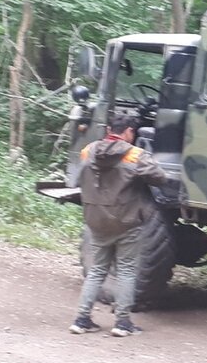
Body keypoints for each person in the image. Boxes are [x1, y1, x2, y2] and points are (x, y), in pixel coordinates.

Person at [69, 112, 167, 337]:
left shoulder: (88, 150)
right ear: (129, 132)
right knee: (126, 271)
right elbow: (160, 177)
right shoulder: (136, 155)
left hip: (96, 221)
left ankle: (82, 320)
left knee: (96, 271)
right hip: (126, 222)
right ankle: (122, 324)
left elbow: (77, 178)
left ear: (108, 130)